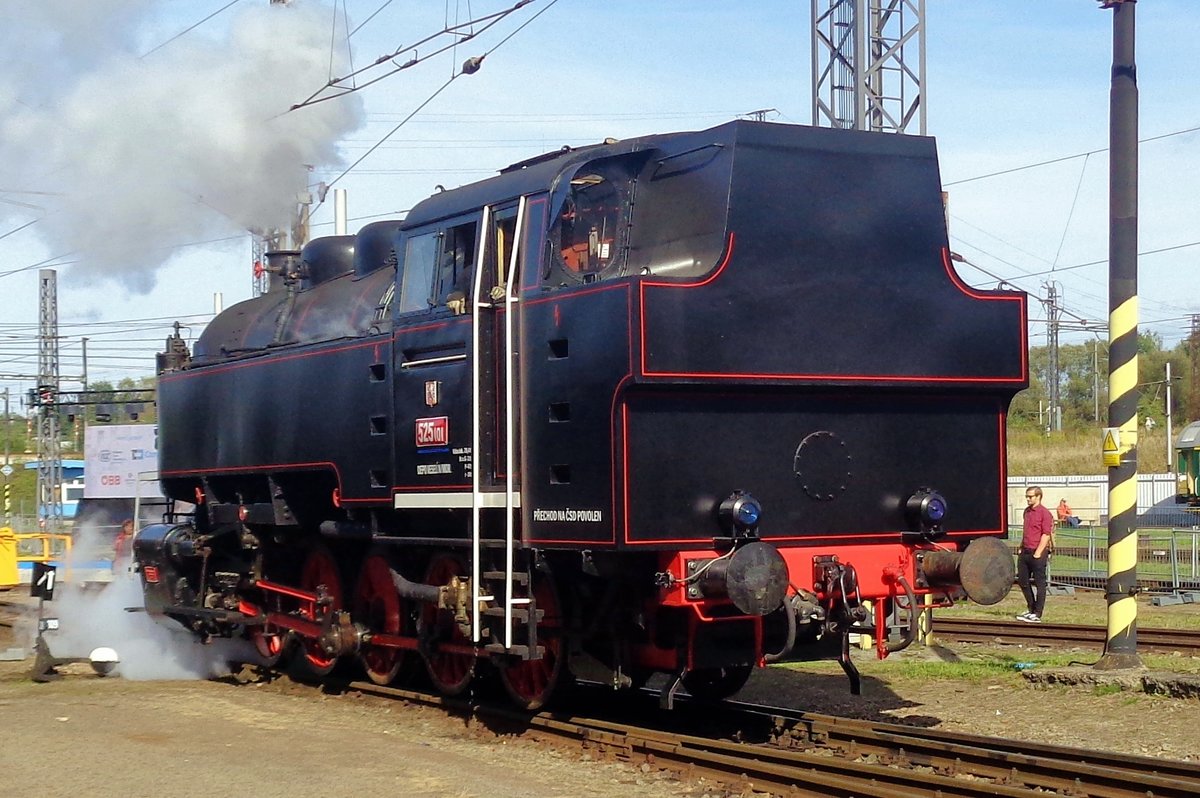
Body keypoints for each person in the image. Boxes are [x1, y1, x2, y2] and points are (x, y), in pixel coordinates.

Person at [1017, 487, 1054, 622]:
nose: (1028, 499)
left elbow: (1046, 534)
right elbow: (1026, 531)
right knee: (1023, 581)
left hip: (1037, 552)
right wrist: (1021, 547)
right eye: (1027, 496)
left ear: (1038, 496)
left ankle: (1038, 613)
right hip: (1025, 551)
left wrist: (1038, 552)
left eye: (1030, 496)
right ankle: (1031, 608)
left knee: (1040, 583)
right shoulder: (1027, 512)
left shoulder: (1045, 513)